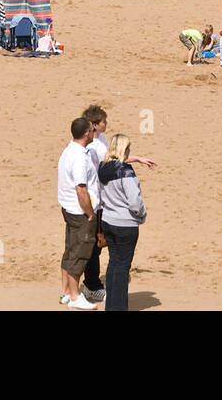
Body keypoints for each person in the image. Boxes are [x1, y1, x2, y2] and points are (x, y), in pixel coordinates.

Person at [96, 133, 148, 312]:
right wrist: (142, 214)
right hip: (125, 225)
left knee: (114, 263)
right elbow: (135, 202)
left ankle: (111, 306)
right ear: (123, 149)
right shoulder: (126, 171)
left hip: (108, 221)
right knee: (122, 267)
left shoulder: (103, 169)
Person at [57, 117, 99, 310]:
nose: (94, 132)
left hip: (69, 209)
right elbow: (81, 189)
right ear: (86, 133)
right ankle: (75, 296)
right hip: (80, 212)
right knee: (80, 254)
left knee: (70, 251)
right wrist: (90, 213)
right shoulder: (79, 158)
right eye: (92, 130)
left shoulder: (69, 151)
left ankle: (65, 292)